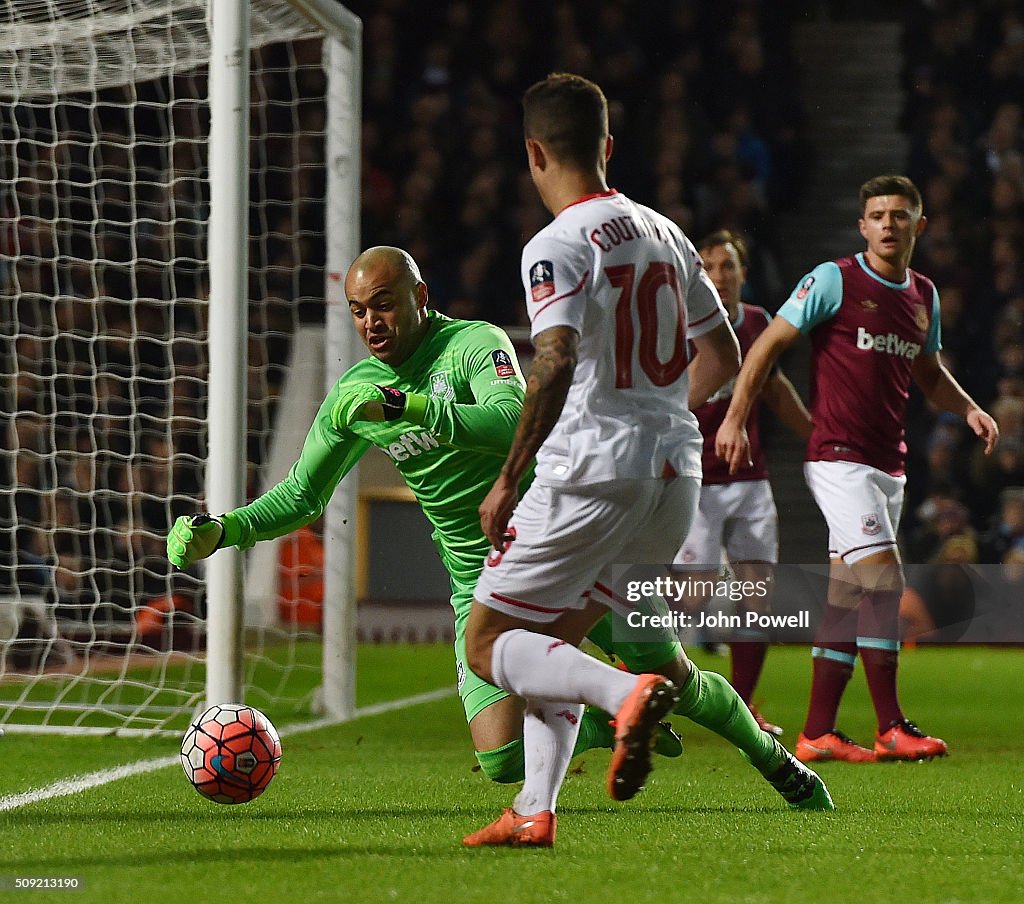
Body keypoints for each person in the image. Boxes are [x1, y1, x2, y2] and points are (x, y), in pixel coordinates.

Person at [461, 73, 832, 849]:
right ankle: (535, 808)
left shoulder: (554, 245)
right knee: (549, 640)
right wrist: (659, 414)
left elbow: (555, 359)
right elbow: (724, 351)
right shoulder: (665, 231)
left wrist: (508, 479)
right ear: (606, 147)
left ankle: (628, 694)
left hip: (590, 471)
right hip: (673, 477)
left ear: (534, 153)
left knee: (491, 644)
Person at [166, 245, 685, 787]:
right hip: (477, 583)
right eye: (359, 311)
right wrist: (226, 529)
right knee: (502, 761)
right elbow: (301, 494)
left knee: (675, 675)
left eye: (383, 305)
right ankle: (609, 720)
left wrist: (411, 407)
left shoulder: (472, 344)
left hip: (560, 551)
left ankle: (762, 745)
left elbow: (514, 419)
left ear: (420, 297)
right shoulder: (353, 395)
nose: (371, 322)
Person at [716, 174, 1000, 764]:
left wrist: (969, 406)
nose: (888, 224)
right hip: (837, 458)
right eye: (877, 215)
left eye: (900, 215)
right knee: (883, 579)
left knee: (847, 594)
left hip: (886, 466)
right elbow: (765, 347)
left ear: (918, 226)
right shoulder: (832, 280)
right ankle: (890, 723)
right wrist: (736, 418)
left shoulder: (923, 294)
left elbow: (927, 374)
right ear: (862, 226)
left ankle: (817, 731)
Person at [672, 229, 813, 737]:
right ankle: (629, 678)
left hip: (750, 480)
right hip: (694, 479)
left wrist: (818, 438)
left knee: (759, 597)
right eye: (709, 267)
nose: (719, 276)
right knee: (693, 596)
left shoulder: (755, 323)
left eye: (728, 266)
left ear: (743, 273)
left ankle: (745, 705)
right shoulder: (679, 326)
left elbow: (773, 389)